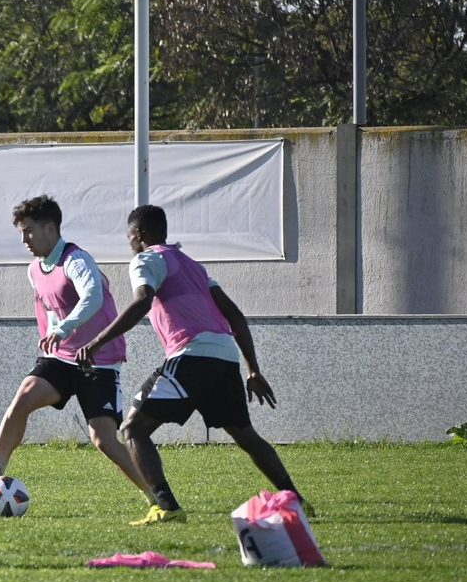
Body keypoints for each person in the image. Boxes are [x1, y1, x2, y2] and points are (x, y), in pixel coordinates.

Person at [76, 204, 306, 525]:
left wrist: (97, 341)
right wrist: (252, 368)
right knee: (244, 434)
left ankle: (166, 507)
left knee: (133, 429)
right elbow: (234, 315)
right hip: (224, 354)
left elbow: (142, 299)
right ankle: (295, 500)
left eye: (129, 238)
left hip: (191, 352)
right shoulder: (194, 267)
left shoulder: (146, 259)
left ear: (139, 235)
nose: (129, 245)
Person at [0, 195, 152, 505]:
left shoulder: (76, 260)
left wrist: (62, 329)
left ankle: (156, 496)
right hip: (59, 359)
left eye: (28, 231)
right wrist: (53, 337)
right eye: (20, 231)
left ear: (50, 228)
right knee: (23, 397)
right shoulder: (34, 269)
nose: (24, 239)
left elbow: (93, 296)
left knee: (104, 439)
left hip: (97, 360)